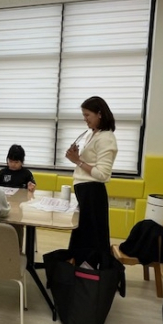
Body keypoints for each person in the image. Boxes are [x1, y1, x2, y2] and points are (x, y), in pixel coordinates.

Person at [65, 96, 118, 254]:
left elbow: (102, 174)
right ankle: (78, 265)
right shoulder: (92, 134)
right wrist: (77, 157)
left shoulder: (106, 138)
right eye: (84, 115)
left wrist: (77, 161)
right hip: (85, 191)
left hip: (93, 193)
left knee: (92, 238)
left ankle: (92, 267)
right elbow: (89, 162)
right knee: (82, 235)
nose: (85, 119)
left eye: (87, 115)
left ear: (99, 114)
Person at [0, 144, 36, 248]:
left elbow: (32, 187)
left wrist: (31, 187)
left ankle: (18, 248)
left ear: (22, 161)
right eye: (10, 161)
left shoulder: (26, 173)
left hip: (19, 206)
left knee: (17, 226)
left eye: (16, 162)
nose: (13, 164)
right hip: (4, 205)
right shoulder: (3, 172)